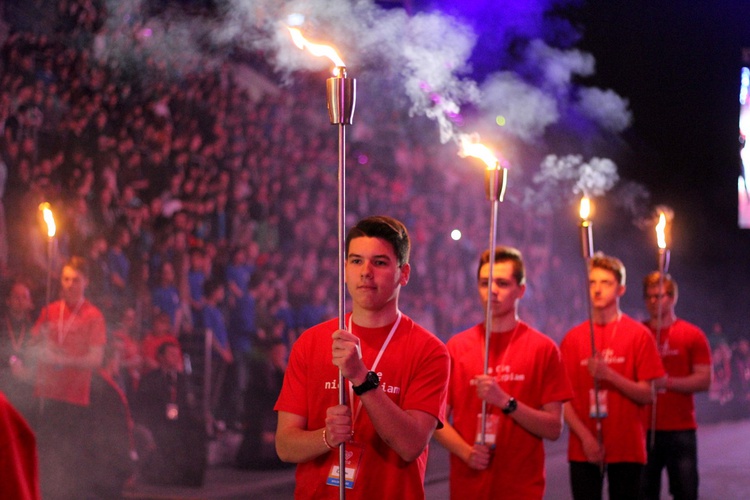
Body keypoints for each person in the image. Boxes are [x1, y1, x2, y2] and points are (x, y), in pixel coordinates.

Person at [274, 215, 449, 499]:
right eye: (356, 261)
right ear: (344, 269)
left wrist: (360, 378)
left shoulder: (429, 351)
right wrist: (326, 437)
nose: (366, 272)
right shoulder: (311, 342)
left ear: (403, 273)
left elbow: (410, 444)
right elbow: (285, 446)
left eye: (379, 262)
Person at [434, 247, 573, 499]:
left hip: (521, 489)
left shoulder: (543, 348)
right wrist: (466, 452)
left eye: (502, 283)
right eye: (485, 283)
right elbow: (436, 420)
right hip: (469, 487)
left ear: (521, 289)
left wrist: (506, 402)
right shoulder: (456, 346)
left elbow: (554, 428)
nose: (493, 291)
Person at [560, 253, 665, 500]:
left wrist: (610, 375)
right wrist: (586, 438)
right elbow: (563, 399)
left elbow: (648, 394)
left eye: (605, 283)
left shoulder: (638, 335)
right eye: (592, 283)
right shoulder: (573, 337)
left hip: (627, 447)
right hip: (583, 447)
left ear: (621, 289)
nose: (597, 289)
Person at [29, 256, 107, 500]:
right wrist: (44, 347)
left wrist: (64, 361)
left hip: (75, 397)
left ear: (86, 282)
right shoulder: (49, 311)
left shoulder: (93, 315)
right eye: (65, 279)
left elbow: (95, 359)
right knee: (47, 456)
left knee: (71, 458)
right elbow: (31, 349)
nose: (69, 285)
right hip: (47, 395)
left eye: (75, 280)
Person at [640, 272, 712, 500]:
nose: (654, 302)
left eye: (659, 296)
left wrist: (667, 382)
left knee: (686, 491)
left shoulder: (692, 335)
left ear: (672, 298)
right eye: (649, 297)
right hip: (644, 429)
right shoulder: (638, 334)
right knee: (643, 492)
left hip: (680, 429)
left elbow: (704, 380)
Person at [133, 342, 206, 487]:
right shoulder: (150, 378)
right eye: (171, 354)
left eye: (176, 354)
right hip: (158, 421)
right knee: (165, 433)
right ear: (161, 357)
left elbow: (189, 403)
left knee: (195, 431)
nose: (175, 358)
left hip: (180, 420)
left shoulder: (183, 379)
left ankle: (188, 477)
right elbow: (144, 405)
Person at [0, 279, 37, 423]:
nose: (20, 301)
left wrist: (27, 373)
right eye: (16, 297)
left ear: (30, 302)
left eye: (24, 297)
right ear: (8, 300)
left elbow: (37, 362)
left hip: (24, 391)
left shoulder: (34, 328)